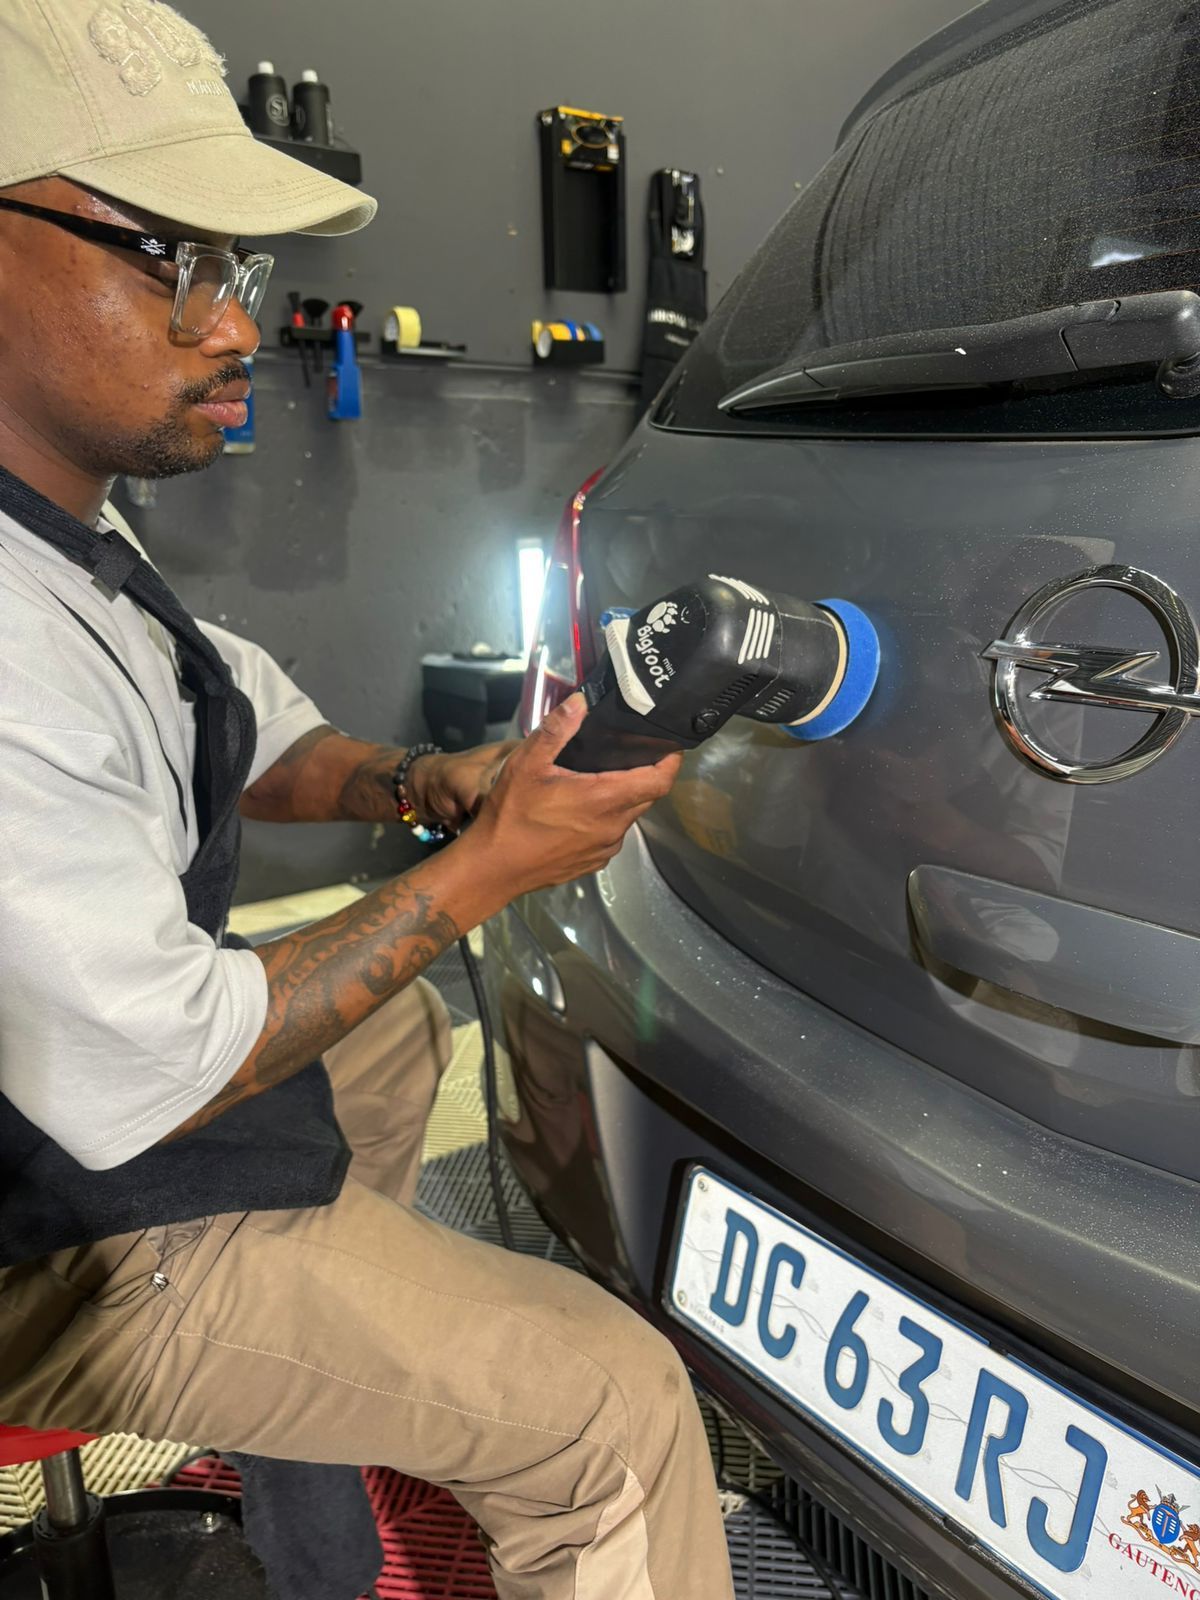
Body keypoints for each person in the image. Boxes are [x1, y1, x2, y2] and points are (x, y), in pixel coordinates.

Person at [0, 4, 737, 1597]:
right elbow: (150, 1078)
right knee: (610, 1409)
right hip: (49, 1235)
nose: (232, 325)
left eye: (239, 272)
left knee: (396, 1034)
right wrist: (484, 863)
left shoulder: (70, 530)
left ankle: (312, 1472)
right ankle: (286, 1356)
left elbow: (248, 723)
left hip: (89, 1123)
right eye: (171, 259)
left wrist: (424, 781)